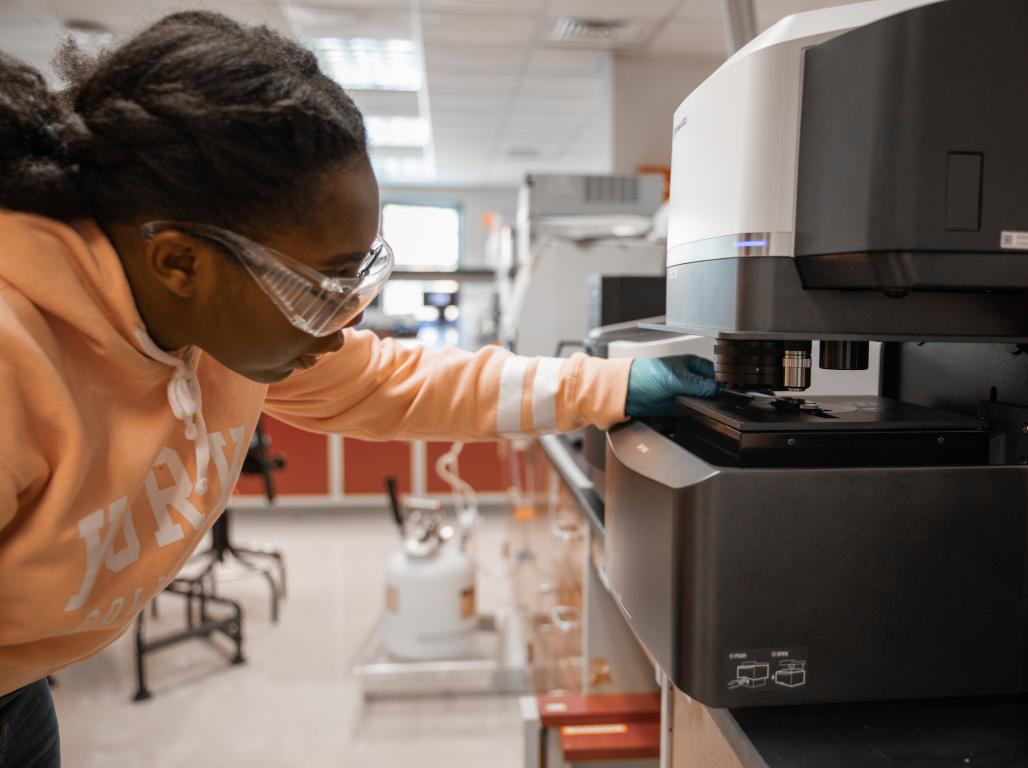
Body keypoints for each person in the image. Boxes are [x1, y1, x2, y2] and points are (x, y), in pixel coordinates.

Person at [0, 12, 718, 765]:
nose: (342, 325)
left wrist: (616, 380)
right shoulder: (17, 360)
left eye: (356, 279)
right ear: (181, 263)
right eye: (321, 287)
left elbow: (397, 381)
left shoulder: (211, 333)